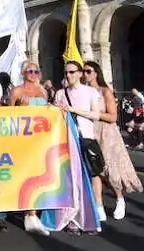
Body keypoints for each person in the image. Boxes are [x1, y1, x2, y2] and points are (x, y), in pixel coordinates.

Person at [82, 61, 142, 220]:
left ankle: (119, 199)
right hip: (89, 131)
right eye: (83, 71)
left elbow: (113, 116)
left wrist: (92, 114)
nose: (85, 74)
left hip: (106, 132)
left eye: (88, 71)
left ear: (96, 73)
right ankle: (99, 206)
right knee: (95, 169)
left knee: (109, 169)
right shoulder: (82, 92)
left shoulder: (105, 91)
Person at [52, 61, 105, 228]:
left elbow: (96, 115)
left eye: (72, 72)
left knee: (90, 175)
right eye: (66, 72)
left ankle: (94, 211)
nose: (69, 75)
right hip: (66, 139)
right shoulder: (60, 93)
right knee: (71, 178)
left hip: (85, 137)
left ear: (81, 73)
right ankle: (72, 217)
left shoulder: (91, 92)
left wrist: (73, 110)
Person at [9, 63, 51, 236]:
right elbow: (7, 116)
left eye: (36, 71)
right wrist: (21, 109)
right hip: (23, 139)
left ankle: (34, 213)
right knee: (28, 176)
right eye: (29, 71)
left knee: (41, 175)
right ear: (22, 73)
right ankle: (30, 215)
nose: (33, 74)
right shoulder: (17, 92)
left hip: (41, 139)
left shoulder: (43, 92)